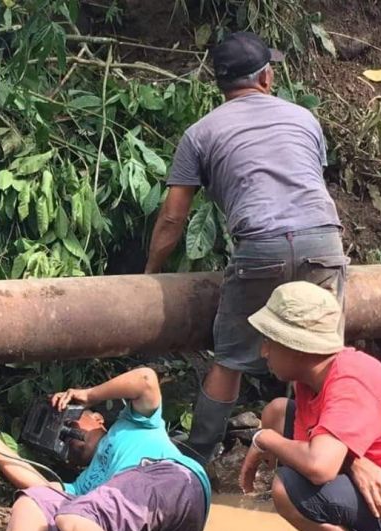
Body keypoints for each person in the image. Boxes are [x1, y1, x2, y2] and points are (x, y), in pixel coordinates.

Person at [144, 31, 347, 465]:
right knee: (321, 354)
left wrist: (151, 273)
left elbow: (173, 217)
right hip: (322, 239)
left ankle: (197, 458)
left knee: (230, 360)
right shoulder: (303, 119)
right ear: (266, 76)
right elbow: (308, 183)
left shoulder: (200, 134)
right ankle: (320, 450)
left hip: (260, 249)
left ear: (220, 85)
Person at [0, 367, 211, 531]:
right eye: (62, 437)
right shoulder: (84, 487)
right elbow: (37, 483)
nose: (68, 432)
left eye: (71, 420)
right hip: (141, 521)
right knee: (32, 501)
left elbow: (146, 379)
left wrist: (89, 395)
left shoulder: (135, 424)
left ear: (98, 419)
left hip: (172, 481)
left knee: (74, 517)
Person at [240, 282, 381, 531]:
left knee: (286, 488)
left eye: (269, 341)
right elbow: (311, 445)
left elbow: (318, 467)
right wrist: (355, 462)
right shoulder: (310, 378)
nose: (264, 352)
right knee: (277, 411)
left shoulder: (349, 381)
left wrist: (266, 438)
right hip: (376, 476)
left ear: (296, 347)